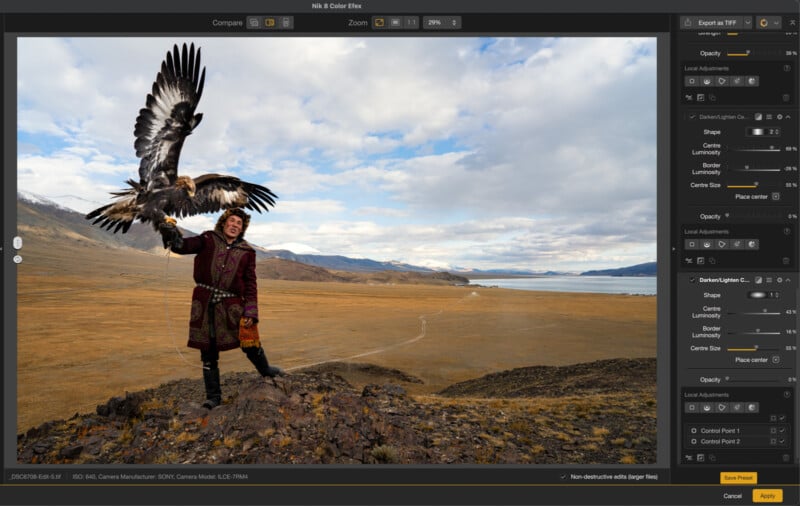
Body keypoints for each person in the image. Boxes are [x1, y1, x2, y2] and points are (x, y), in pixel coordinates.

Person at [159, 208, 285, 409]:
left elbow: (251, 283)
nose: (235, 225)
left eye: (239, 224)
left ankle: (266, 370)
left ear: (242, 229)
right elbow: (182, 246)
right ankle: (213, 398)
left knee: (249, 341)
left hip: (233, 305)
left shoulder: (247, 252)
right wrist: (170, 232)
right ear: (224, 222)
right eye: (232, 221)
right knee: (208, 352)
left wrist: (251, 311)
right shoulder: (208, 238)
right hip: (205, 303)